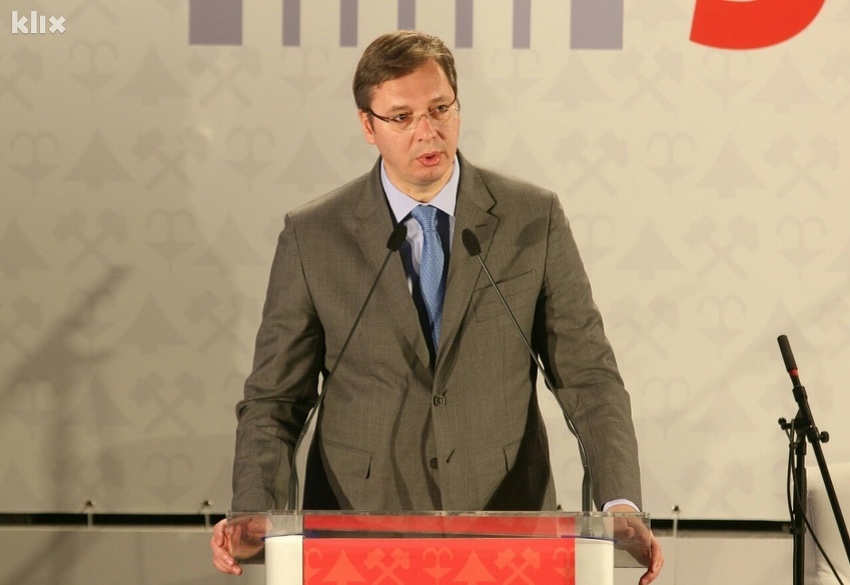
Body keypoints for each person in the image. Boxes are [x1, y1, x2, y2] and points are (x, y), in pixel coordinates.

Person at [211, 30, 663, 583]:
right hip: (356, 535)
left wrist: (620, 503)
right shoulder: (315, 236)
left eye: (440, 108)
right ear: (368, 126)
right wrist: (254, 509)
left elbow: (589, 378)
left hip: (506, 527)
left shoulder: (531, 219)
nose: (427, 131)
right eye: (402, 117)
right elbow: (275, 400)